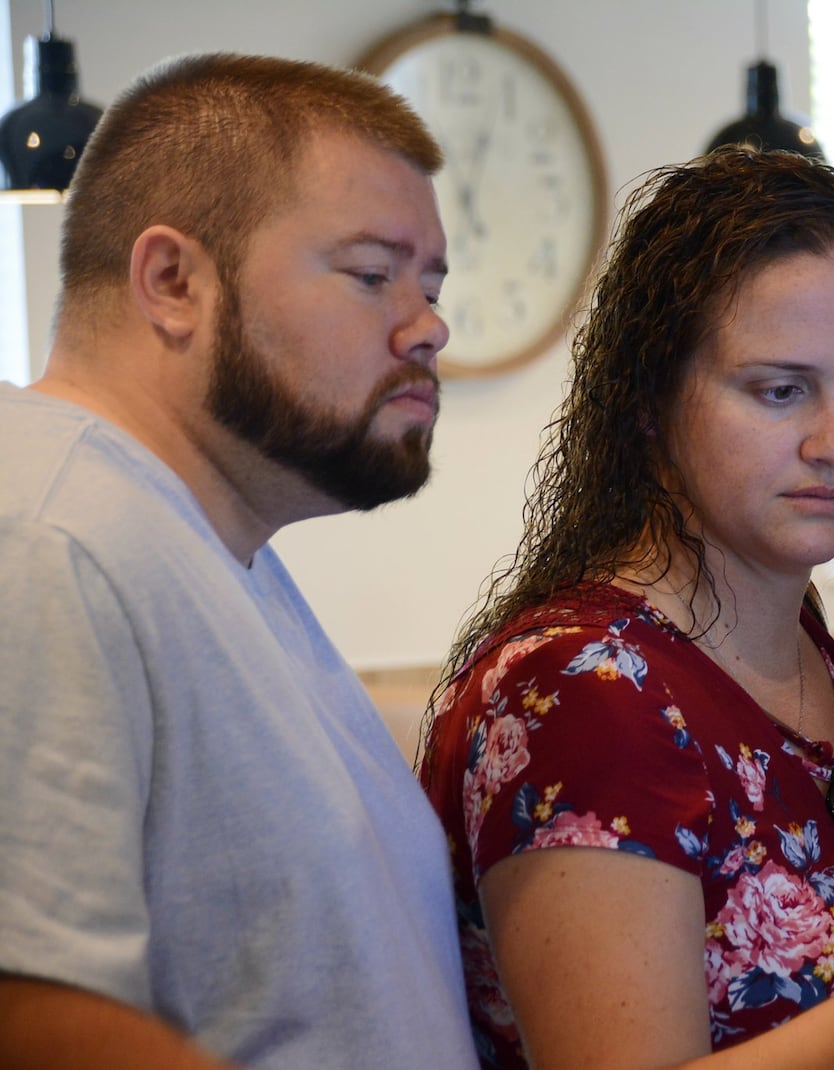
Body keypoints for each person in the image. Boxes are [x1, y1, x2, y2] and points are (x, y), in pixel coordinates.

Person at [421, 148, 834, 1070]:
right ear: (650, 398)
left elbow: (774, 860)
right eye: (780, 390)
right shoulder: (585, 693)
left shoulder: (776, 632)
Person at [0, 54, 477, 1069]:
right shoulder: (47, 534)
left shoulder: (200, 544)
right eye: (370, 274)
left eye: (431, 284)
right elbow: (28, 1012)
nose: (428, 324)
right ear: (173, 281)